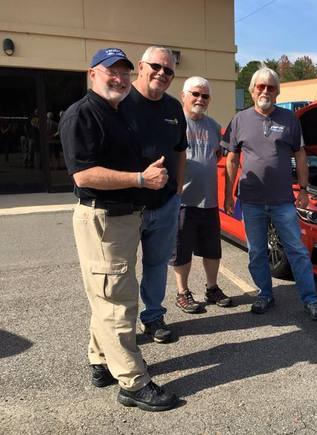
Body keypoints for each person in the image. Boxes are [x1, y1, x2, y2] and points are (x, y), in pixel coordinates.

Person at [59, 47, 177, 411]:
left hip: (123, 219)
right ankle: (133, 382)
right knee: (117, 303)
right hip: (104, 220)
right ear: (92, 73)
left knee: (106, 295)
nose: (120, 78)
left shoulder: (115, 111)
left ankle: (100, 361)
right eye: (112, 71)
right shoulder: (82, 114)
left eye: (124, 73)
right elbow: (84, 174)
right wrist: (140, 179)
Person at [223, 66, 317, 321]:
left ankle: (310, 300)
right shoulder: (239, 120)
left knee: (296, 250)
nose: (265, 91)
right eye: (261, 86)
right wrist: (227, 195)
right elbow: (232, 159)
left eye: (271, 87)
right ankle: (265, 294)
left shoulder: (289, 119)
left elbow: (300, 155)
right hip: (251, 200)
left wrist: (304, 189)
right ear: (252, 90)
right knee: (257, 251)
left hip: (283, 201)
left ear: (277, 92)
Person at [120, 46, 187, 343]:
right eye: (156, 67)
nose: (162, 73)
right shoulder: (120, 102)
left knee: (157, 264)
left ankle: (153, 317)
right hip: (127, 206)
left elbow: (180, 150)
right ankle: (120, 328)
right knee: (120, 271)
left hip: (165, 204)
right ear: (140, 66)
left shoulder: (173, 108)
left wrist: (178, 189)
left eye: (169, 70)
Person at [170, 76, 232, 313]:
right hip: (182, 201)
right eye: (195, 94)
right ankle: (182, 292)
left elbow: (219, 156)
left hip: (209, 201)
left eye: (205, 96)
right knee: (181, 251)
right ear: (183, 96)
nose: (200, 99)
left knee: (212, 250)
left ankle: (212, 288)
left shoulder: (214, 126)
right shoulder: (175, 123)